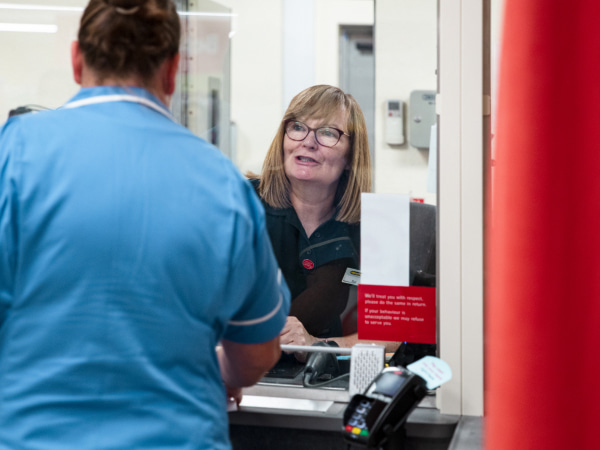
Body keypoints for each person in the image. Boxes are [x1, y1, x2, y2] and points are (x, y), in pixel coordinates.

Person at [0, 0, 290, 448]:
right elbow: (257, 352)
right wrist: (224, 372)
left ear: (76, 61)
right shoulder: (222, 184)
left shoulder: (12, 158)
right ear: (174, 72)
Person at [249, 84, 371, 344]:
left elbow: (396, 331)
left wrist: (318, 346)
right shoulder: (242, 204)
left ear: (351, 155)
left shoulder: (371, 227)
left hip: (327, 378)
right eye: (297, 127)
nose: (307, 142)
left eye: (327, 133)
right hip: (241, 369)